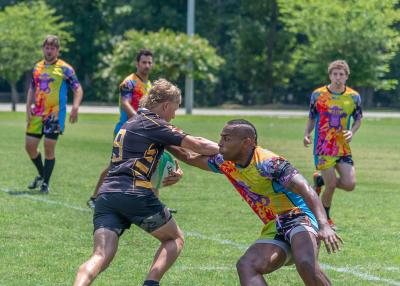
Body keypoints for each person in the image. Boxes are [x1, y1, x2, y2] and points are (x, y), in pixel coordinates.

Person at [73, 79, 219, 286]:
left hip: (106, 196)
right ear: (166, 105)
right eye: (174, 110)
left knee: (100, 256)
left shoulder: (132, 122)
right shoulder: (155, 124)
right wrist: (231, 150)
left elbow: (186, 155)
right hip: (134, 193)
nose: (174, 116)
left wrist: (178, 171)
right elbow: (199, 145)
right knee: (174, 239)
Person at [170, 119, 342, 286]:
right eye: (221, 137)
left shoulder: (269, 163)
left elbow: (306, 189)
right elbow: (190, 156)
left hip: (300, 217)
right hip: (276, 224)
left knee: (305, 263)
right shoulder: (226, 162)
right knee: (247, 266)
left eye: (227, 139)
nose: (220, 143)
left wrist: (324, 225)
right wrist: (162, 139)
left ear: (247, 142)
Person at [86, 49, 181, 209]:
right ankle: (95, 197)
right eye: (143, 62)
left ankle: (156, 204)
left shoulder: (149, 85)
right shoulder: (129, 82)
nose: (147, 65)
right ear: (137, 63)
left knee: (153, 162)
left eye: (149, 62)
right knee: (115, 165)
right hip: (126, 130)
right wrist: (140, 120)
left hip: (145, 132)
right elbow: (125, 103)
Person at [303, 60, 362, 229]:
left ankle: (318, 180)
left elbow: (359, 118)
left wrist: (352, 131)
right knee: (331, 186)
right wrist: (307, 134)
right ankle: (326, 218)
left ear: (346, 76)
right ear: (330, 75)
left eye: (341, 74)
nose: (338, 78)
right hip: (323, 147)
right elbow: (312, 117)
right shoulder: (318, 95)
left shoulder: (353, 97)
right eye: (334, 74)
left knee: (350, 184)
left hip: (343, 147)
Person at [25, 35, 83, 194]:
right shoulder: (37, 67)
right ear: (43, 49)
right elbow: (32, 88)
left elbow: (77, 88)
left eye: (53, 48)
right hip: (37, 114)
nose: (49, 51)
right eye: (47, 47)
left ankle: (45, 183)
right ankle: (41, 175)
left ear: (57, 50)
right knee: (30, 147)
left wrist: (75, 107)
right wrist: (27, 107)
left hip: (55, 115)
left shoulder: (65, 69)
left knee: (48, 148)